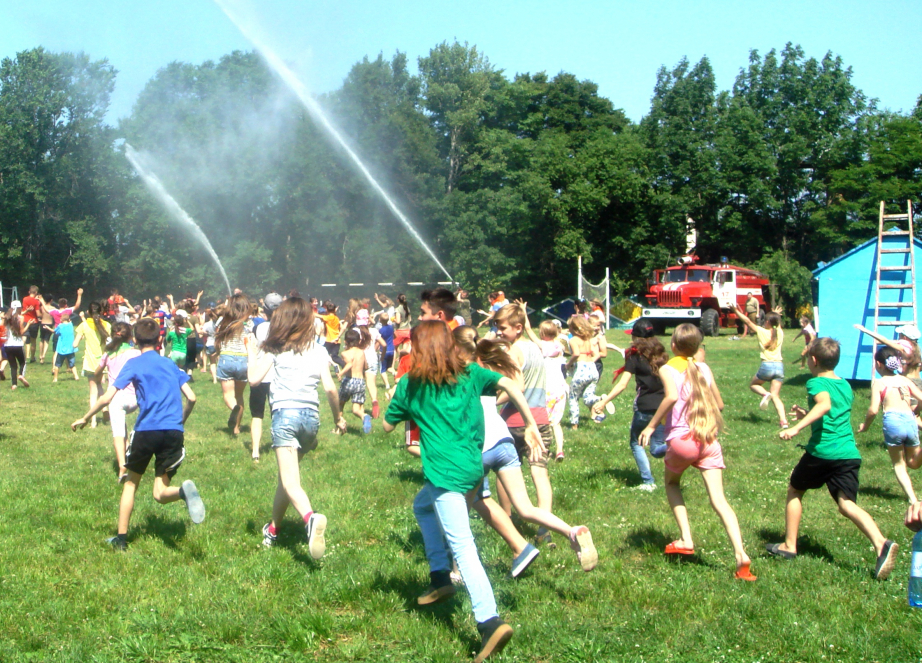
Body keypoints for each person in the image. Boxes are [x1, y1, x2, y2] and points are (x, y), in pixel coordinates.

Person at [383, 321, 545, 663]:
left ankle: (489, 621)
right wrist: (530, 424)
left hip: (446, 476)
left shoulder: (411, 385)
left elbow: (386, 425)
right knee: (423, 508)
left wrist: (390, 399)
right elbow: (510, 384)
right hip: (474, 468)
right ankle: (439, 576)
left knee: (464, 545)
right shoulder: (470, 372)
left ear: (417, 348)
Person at [455, 327, 598, 575]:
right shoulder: (486, 371)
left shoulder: (458, 375)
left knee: (457, 516)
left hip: (477, 448)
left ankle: (455, 571)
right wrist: (530, 423)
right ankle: (572, 532)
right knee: (526, 509)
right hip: (503, 442)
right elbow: (514, 386)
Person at [769, 337, 899, 580]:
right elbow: (831, 413)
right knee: (846, 504)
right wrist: (807, 414)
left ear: (814, 360)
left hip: (823, 452)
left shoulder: (815, 383)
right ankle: (881, 543)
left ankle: (789, 545)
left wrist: (796, 428)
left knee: (795, 490)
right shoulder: (845, 385)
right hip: (848, 453)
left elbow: (825, 405)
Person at [71, 318, 205, 551]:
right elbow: (192, 398)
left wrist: (85, 417)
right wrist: (180, 421)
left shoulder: (133, 364)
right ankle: (183, 492)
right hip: (173, 432)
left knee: (131, 484)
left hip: (146, 431)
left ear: (135, 339)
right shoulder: (171, 365)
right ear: (160, 340)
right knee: (160, 493)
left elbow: (107, 397)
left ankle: (121, 540)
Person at [639, 323, 757, 581]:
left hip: (682, 441)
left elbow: (670, 397)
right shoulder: (703, 367)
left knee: (672, 484)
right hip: (708, 439)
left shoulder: (668, 368)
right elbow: (720, 405)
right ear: (697, 347)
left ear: (673, 346)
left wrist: (650, 426)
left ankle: (686, 538)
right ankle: (740, 554)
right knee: (719, 500)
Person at [247, 297, 346, 557]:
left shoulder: (276, 348)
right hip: (311, 421)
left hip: (285, 417)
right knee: (286, 478)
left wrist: (251, 353)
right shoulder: (319, 349)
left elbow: (254, 379)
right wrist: (338, 418)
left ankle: (310, 518)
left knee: (291, 482)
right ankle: (274, 529)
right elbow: (329, 388)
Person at [592, 319, 668, 490]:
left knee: (636, 443)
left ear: (636, 337)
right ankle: (675, 446)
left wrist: (604, 401)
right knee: (656, 449)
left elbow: (622, 384)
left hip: (644, 408)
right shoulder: (661, 354)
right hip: (664, 407)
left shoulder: (634, 356)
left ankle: (648, 482)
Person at [857, 346, 922, 503]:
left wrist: (865, 426)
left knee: (899, 464)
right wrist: (916, 411)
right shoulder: (905, 380)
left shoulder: (879, 383)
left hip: (893, 422)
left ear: (879, 364)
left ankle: (912, 499)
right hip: (909, 420)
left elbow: (873, 410)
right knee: (913, 463)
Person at [96, 322, 142, 482]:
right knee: (123, 426)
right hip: (134, 399)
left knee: (118, 433)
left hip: (115, 398)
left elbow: (97, 372)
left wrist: (98, 379)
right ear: (130, 336)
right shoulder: (136, 353)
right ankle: (130, 447)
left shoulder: (108, 354)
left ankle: (122, 466)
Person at [734, 304, 788, 429]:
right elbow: (777, 324)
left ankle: (765, 394)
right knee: (776, 396)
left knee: (754, 385)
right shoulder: (780, 332)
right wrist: (776, 315)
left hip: (767, 365)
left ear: (768, 322)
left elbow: (747, 321)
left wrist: (735, 311)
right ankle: (784, 421)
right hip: (779, 366)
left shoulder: (762, 331)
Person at [525, 319, 569, 461]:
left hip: (547, 389)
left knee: (542, 422)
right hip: (561, 389)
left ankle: (544, 449)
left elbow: (528, 330)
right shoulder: (559, 346)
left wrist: (525, 315)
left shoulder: (543, 345)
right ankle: (560, 451)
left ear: (542, 333)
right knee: (556, 423)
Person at [249, 293, 282, 462]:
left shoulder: (258, 328)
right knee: (277, 414)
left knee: (257, 415)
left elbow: (253, 349)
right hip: (278, 376)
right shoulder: (284, 329)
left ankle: (255, 451)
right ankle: (281, 446)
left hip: (260, 376)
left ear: (265, 311)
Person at [215, 293, 253, 435]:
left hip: (227, 358)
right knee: (239, 395)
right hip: (243, 359)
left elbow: (217, 340)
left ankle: (233, 408)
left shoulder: (224, 322)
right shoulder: (249, 324)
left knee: (228, 394)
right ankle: (236, 428)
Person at [73, 302, 111, 427]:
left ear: (88, 313)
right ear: (101, 312)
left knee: (93, 391)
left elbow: (75, 344)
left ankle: (93, 421)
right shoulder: (107, 325)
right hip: (103, 363)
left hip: (90, 362)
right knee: (99, 385)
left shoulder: (83, 325)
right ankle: (105, 410)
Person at [566, 314, 601, 430]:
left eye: (569, 327)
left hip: (581, 370)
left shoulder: (573, 340)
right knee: (587, 397)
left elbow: (576, 354)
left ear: (574, 328)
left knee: (573, 397)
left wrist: (568, 364)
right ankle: (600, 399)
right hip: (592, 368)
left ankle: (574, 424)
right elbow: (596, 354)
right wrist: (589, 362)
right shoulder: (588, 340)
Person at [336, 328, 370, 434]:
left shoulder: (345, 353)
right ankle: (364, 416)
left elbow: (349, 364)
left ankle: (339, 428)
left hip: (349, 380)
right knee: (356, 409)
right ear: (359, 341)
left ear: (345, 341)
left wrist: (340, 373)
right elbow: (366, 366)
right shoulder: (361, 352)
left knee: (339, 405)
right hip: (360, 381)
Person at [3, 302, 31, 389]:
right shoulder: (21, 318)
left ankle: (14, 384)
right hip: (18, 345)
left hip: (7, 345)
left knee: (13, 366)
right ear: (19, 308)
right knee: (23, 362)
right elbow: (22, 332)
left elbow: (2, 325)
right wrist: (28, 325)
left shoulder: (6, 318)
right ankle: (21, 375)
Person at [51, 311, 79, 382]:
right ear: (69, 320)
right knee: (72, 364)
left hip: (62, 350)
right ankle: (76, 376)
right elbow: (70, 321)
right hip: (71, 349)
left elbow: (55, 331)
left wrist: (48, 328)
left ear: (61, 320)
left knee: (57, 365)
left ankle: (55, 378)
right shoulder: (71, 325)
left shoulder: (60, 326)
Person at [320, 301, 344, 368]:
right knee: (334, 356)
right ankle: (344, 365)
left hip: (329, 340)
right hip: (337, 340)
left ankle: (323, 369)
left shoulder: (328, 317)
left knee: (323, 354)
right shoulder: (336, 318)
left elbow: (318, 315)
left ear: (326, 310)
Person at [21, 285, 42, 363]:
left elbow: (24, 309)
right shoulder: (36, 302)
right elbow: (38, 314)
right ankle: (32, 357)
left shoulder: (25, 299)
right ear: (36, 292)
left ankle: (25, 357)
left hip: (25, 320)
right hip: (34, 322)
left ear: (29, 292)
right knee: (33, 340)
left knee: (24, 339)